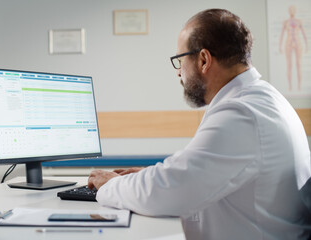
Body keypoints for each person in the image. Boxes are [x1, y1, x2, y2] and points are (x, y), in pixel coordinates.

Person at [88, 8, 311, 239]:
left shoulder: (242, 114)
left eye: (179, 61)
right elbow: (192, 178)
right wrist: (147, 177)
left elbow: (173, 190)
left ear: (203, 60)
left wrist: (110, 185)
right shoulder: (260, 99)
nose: (178, 74)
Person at [279, 5, 308, 91]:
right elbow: (281, 35)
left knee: (298, 64)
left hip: (298, 43)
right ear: (289, 11)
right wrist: (280, 46)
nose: (292, 11)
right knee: (289, 65)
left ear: (295, 11)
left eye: (293, 9)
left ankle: (299, 86)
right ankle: (290, 86)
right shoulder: (285, 22)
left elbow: (304, 34)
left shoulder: (299, 21)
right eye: (290, 9)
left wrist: (307, 45)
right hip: (288, 43)